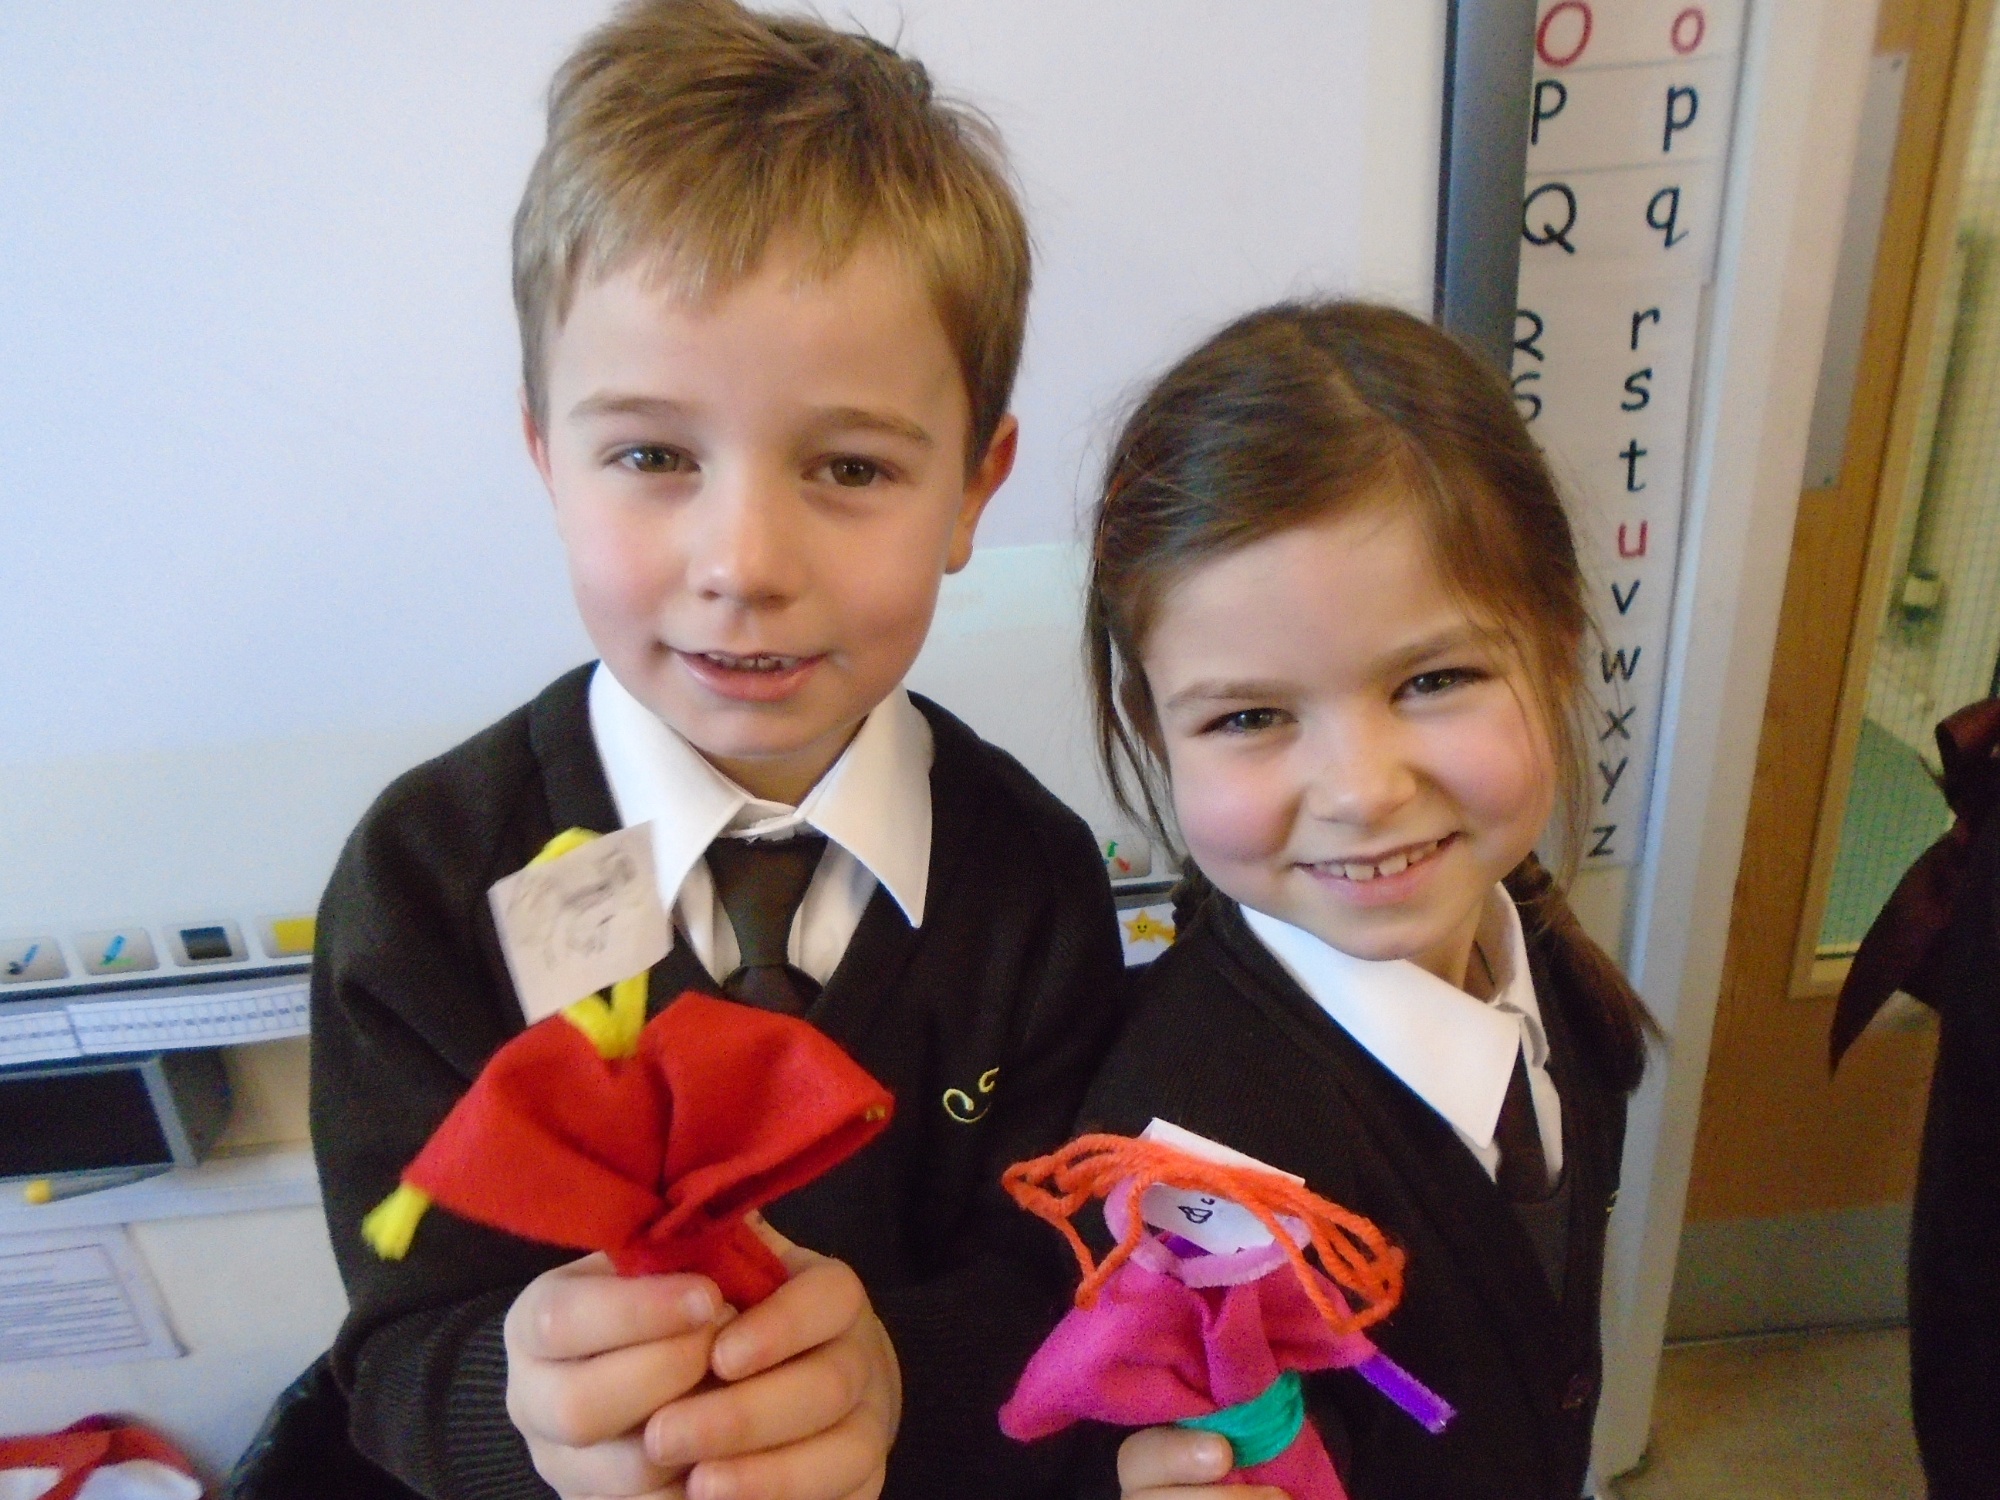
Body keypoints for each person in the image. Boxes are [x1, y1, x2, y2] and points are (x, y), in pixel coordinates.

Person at [306, 4, 1124, 1498]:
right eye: (652, 456)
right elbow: (399, 1347)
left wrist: (898, 1382)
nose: (743, 563)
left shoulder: (1031, 879)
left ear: (971, 489)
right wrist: (525, 1411)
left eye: (851, 466)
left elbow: (1060, 1286)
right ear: (548, 456)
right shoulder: (429, 879)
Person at [1063, 301, 1654, 1499]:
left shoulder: (1547, 966)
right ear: (1152, 729)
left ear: (1553, 646)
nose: (1361, 791)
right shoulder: (1184, 1156)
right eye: (1249, 716)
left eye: (1432, 680)